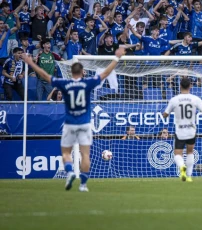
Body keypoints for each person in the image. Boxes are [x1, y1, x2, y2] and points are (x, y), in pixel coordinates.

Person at [22, 47, 126, 192]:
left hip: (70, 123)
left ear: (71, 72)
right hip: (84, 124)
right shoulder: (88, 83)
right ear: (82, 72)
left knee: (66, 153)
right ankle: (83, 185)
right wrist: (116, 57)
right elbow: (105, 73)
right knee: (85, 155)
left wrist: (30, 63)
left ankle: (70, 172)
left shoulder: (64, 84)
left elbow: (45, 76)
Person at [162, 77, 202, 182]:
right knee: (190, 152)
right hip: (191, 130)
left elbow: (165, 115)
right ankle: (189, 176)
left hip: (180, 131)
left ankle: (181, 167)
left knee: (178, 154)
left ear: (180, 86)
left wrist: (166, 113)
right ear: (190, 86)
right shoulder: (195, 99)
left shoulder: (174, 100)